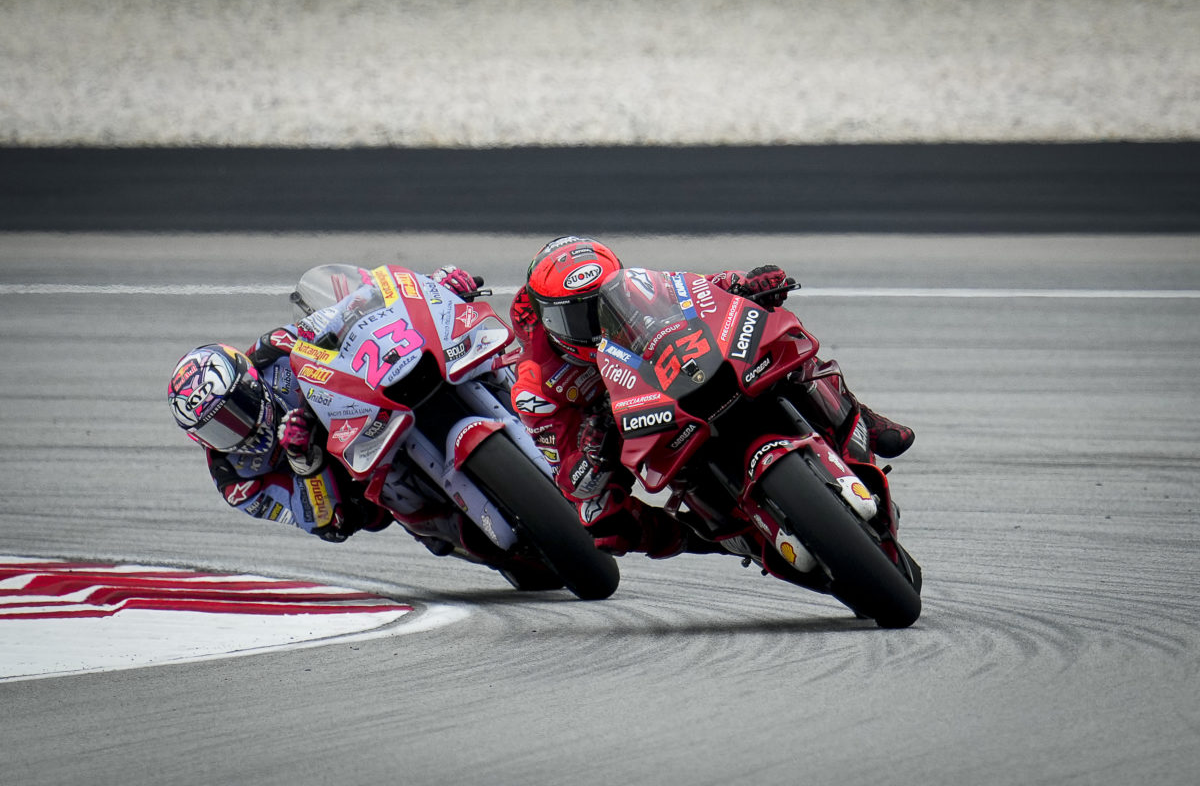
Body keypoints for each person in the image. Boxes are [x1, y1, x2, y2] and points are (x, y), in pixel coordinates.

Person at [509, 236, 915, 559]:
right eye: (575, 317)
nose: (594, 324)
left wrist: (747, 284)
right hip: (634, 431)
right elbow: (573, 482)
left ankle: (860, 416)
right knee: (601, 522)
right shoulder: (536, 384)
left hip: (688, 377)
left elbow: (700, 291)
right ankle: (700, 534)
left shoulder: (641, 290)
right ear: (547, 318)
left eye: (601, 305)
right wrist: (593, 452)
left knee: (778, 333)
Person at [167, 264, 482, 545]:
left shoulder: (274, 350)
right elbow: (319, 521)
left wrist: (431, 288)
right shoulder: (236, 481)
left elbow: (344, 317)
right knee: (358, 515)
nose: (238, 428)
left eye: (236, 408)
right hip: (351, 475)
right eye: (218, 429)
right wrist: (303, 461)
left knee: (453, 348)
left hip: (366, 399)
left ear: (250, 380)